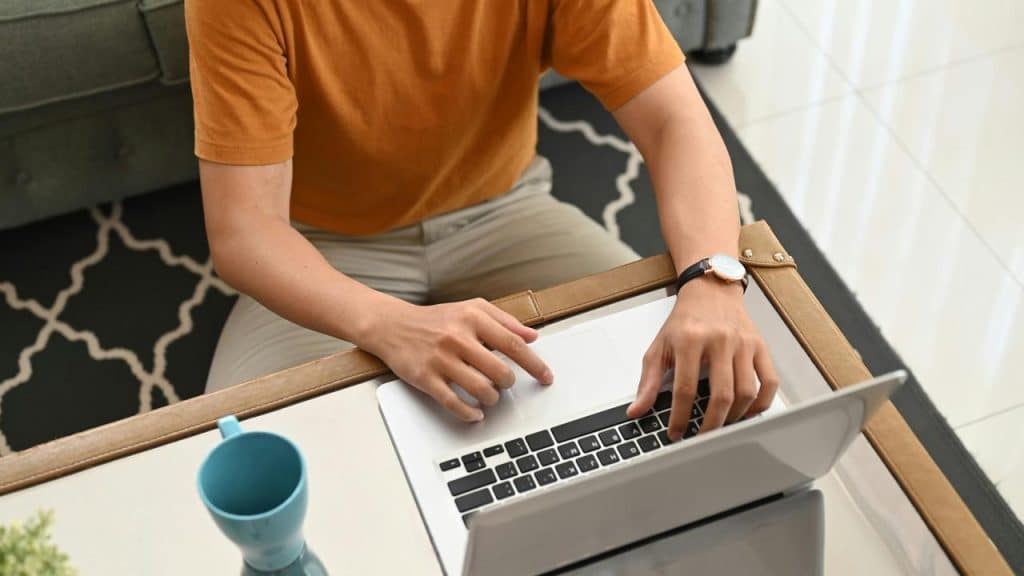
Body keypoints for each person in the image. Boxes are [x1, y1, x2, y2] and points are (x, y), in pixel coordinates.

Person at [186, 0, 779, 441]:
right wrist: (387, 325)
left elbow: (675, 121)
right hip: (323, 243)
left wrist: (712, 278)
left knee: (685, 374)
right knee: (237, 450)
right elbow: (247, 231)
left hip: (505, 208)